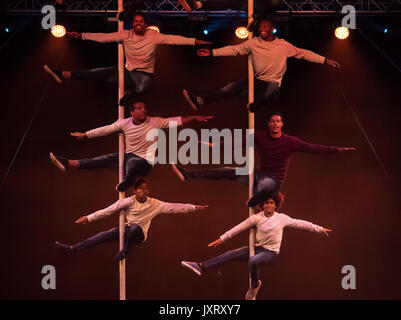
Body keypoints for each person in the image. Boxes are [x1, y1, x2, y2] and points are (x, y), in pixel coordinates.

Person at [171, 111, 355, 206]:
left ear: (282, 124)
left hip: (275, 180)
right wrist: (213, 145)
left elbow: (314, 148)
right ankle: (188, 174)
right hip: (259, 174)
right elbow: (238, 142)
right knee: (228, 171)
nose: (275, 124)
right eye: (272, 121)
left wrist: (337, 150)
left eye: (278, 121)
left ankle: (256, 200)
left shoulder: (291, 141)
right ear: (269, 124)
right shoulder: (260, 136)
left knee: (264, 185)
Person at [181, 192, 331, 300]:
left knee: (253, 261)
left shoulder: (282, 218)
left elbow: (300, 223)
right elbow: (238, 228)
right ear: (263, 205)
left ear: (275, 205)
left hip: (271, 253)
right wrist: (222, 239)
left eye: (272, 203)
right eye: (267, 203)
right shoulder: (256, 218)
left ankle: (254, 285)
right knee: (231, 253)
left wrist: (319, 228)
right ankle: (200, 265)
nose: (269, 205)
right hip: (258, 248)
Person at [43, 11, 211, 104]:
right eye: (135, 21)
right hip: (128, 72)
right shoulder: (126, 34)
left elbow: (176, 40)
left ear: (145, 24)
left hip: (144, 75)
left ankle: (130, 95)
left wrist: (195, 41)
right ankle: (64, 74)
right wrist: (81, 35)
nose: (138, 24)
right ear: (133, 24)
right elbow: (104, 37)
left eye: (141, 22)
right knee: (99, 72)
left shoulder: (154, 36)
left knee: (145, 86)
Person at [49, 99, 213, 191]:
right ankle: (67, 162)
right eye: (140, 109)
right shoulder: (124, 123)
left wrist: (194, 117)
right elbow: (105, 130)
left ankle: (128, 181)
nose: (144, 111)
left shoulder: (154, 122)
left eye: (145, 108)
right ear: (132, 112)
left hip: (145, 163)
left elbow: (177, 120)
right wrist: (85, 135)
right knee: (103, 160)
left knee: (133, 162)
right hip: (128, 158)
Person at [182, 18, 340, 113]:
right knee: (229, 88)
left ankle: (257, 106)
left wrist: (324, 60)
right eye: (260, 27)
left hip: (272, 82)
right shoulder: (254, 43)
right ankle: (200, 101)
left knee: (271, 92)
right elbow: (234, 50)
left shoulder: (283, 45)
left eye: (265, 27)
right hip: (256, 80)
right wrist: (212, 53)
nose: (261, 29)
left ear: (272, 29)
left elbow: (304, 53)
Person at [55, 178, 208, 261]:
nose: (142, 191)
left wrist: (193, 207)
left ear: (148, 191)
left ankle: (127, 249)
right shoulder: (128, 201)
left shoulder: (155, 204)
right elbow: (108, 211)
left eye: (145, 189)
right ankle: (72, 249)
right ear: (135, 190)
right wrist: (88, 218)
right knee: (102, 235)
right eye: (139, 188)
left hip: (139, 235)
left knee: (135, 228)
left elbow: (175, 207)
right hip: (127, 230)